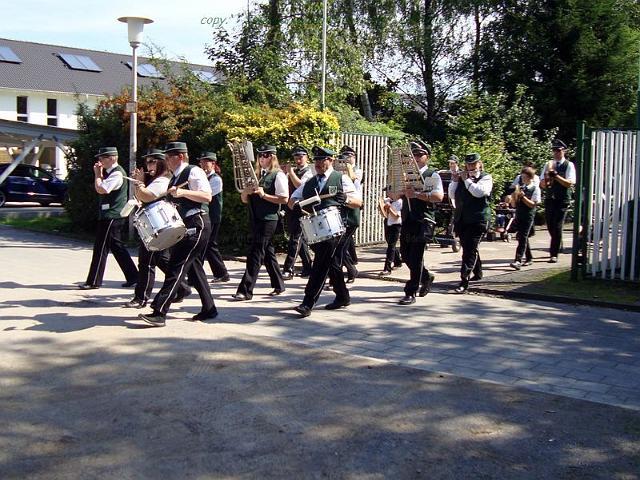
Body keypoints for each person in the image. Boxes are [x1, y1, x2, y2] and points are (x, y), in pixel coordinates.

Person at [138, 141, 216, 327]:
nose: (166, 160)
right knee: (195, 270)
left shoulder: (193, 171)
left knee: (176, 267)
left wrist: (182, 192)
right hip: (185, 225)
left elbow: (207, 196)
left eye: (168, 157)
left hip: (197, 223)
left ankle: (159, 311)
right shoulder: (174, 177)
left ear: (180, 156)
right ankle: (209, 308)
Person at [289, 146, 362, 317]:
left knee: (320, 263)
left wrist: (346, 199)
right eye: (316, 160)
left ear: (330, 161)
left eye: (322, 160)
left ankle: (308, 302)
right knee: (333, 262)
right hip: (318, 228)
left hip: (340, 227)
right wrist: (298, 205)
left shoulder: (341, 178)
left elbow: (358, 202)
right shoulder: (310, 182)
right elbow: (292, 200)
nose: (318, 163)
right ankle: (343, 296)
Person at [123, 149, 190, 308]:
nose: (149, 164)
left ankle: (141, 298)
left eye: (153, 161)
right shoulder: (154, 179)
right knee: (161, 260)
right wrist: (138, 182)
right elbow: (139, 196)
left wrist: (139, 182)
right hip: (153, 225)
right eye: (147, 161)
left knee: (146, 262)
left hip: (159, 225)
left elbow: (146, 196)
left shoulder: (163, 179)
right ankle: (182, 287)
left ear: (162, 163)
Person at [233, 144, 289, 301]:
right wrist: (245, 192)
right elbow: (245, 200)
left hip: (269, 219)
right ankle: (279, 284)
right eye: (260, 156)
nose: (261, 159)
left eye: (265, 156)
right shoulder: (257, 175)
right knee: (268, 252)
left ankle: (245, 290)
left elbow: (284, 199)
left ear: (272, 157)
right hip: (256, 218)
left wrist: (264, 195)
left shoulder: (278, 175)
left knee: (255, 253)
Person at [79, 146, 138, 290]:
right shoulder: (113, 173)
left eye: (102, 158)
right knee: (117, 246)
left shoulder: (116, 174)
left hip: (111, 215)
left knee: (101, 248)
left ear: (112, 158)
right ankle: (134, 276)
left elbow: (102, 189)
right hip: (111, 215)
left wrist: (97, 174)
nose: (100, 161)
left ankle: (93, 281)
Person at [398, 140, 444, 305]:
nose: (416, 158)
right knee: (405, 254)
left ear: (427, 157)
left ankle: (410, 292)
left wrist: (416, 194)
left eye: (419, 155)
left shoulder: (431, 175)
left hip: (423, 220)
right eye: (413, 155)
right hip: (408, 219)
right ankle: (426, 276)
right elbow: (394, 196)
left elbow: (438, 197)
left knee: (416, 257)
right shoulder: (407, 175)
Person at [449, 152, 493, 294]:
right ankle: (478, 273)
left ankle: (464, 280)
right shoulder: (463, 178)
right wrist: (455, 180)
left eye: (474, 164)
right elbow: (451, 195)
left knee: (469, 250)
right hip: (462, 218)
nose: (471, 167)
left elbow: (479, 192)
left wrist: (466, 180)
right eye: (468, 164)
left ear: (479, 164)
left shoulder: (486, 177)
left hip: (478, 219)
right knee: (469, 246)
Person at [540, 139, 576, 263]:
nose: (556, 153)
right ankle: (557, 242)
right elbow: (542, 184)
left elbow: (569, 183)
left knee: (557, 226)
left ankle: (553, 254)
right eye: (554, 150)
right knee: (550, 225)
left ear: (564, 151)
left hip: (562, 199)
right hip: (550, 198)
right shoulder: (548, 164)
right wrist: (546, 178)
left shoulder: (569, 165)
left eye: (558, 150)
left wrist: (556, 176)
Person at [281, 145, 314, 280]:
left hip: (302, 208)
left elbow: (300, 186)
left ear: (306, 157)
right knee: (299, 240)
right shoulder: (293, 170)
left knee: (295, 239)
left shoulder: (309, 171)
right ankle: (308, 267)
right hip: (291, 208)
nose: (298, 160)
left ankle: (288, 268)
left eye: (300, 157)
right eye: (296, 157)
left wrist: (290, 172)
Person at [198, 152, 230, 283]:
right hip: (205, 216)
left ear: (213, 164)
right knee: (210, 245)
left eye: (207, 162)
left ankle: (197, 276)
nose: (204, 164)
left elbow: (206, 195)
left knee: (205, 245)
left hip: (213, 216)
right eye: (202, 162)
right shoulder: (202, 178)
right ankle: (221, 273)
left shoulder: (216, 179)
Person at [510, 166, 541, 270]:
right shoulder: (521, 188)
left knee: (522, 236)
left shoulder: (535, 188)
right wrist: (514, 196)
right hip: (519, 214)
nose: (522, 179)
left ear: (530, 178)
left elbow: (533, 204)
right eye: (521, 177)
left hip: (528, 216)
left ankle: (518, 260)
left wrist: (523, 197)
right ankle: (529, 257)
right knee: (522, 237)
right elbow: (514, 205)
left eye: (524, 177)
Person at [339, 145, 362, 282]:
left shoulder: (358, 170)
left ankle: (351, 270)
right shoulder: (339, 173)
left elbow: (353, 179)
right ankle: (351, 268)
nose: (347, 159)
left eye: (350, 156)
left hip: (352, 208)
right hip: (341, 209)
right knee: (341, 245)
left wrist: (348, 168)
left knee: (342, 245)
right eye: (345, 157)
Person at [380, 194, 403, 275]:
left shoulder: (400, 202)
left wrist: (389, 208)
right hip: (388, 222)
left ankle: (387, 268)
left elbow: (397, 216)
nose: (388, 193)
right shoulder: (388, 200)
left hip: (396, 224)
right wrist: (382, 207)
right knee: (390, 243)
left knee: (391, 246)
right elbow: (384, 213)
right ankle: (398, 261)